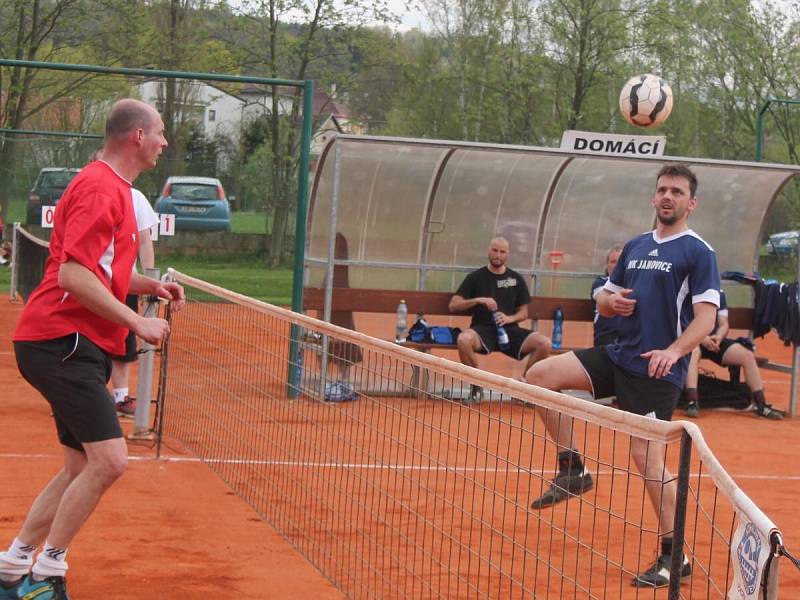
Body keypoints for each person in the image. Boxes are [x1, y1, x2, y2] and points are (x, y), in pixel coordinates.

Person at [0, 99, 184, 600]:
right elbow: (73, 274)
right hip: (61, 341)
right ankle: (47, 573)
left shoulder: (120, 193)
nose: (164, 142)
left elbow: (106, 272)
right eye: (160, 133)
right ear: (136, 137)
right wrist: (135, 323)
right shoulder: (102, 188)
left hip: (70, 343)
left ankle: (13, 565)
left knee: (82, 465)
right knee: (109, 461)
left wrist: (150, 288)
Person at [524, 164, 720, 589]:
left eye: (677, 191)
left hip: (655, 368)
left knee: (646, 459)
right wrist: (610, 303)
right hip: (618, 355)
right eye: (663, 189)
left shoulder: (698, 252)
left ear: (691, 202)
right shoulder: (635, 246)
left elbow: (706, 318)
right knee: (539, 376)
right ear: (654, 198)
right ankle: (572, 467)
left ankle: (675, 556)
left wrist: (674, 352)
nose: (668, 197)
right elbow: (603, 294)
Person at [449, 236, 551, 404]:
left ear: (507, 254)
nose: (498, 255)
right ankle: (477, 385)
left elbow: (523, 313)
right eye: (495, 250)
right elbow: (453, 305)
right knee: (463, 339)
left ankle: (524, 389)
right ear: (489, 251)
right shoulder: (476, 277)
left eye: (502, 252)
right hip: (482, 329)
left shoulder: (515, 278)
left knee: (544, 344)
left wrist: (509, 318)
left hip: (509, 330)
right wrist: (478, 300)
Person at [684, 289, 783, 419]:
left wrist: (718, 337)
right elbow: (683, 323)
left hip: (713, 341)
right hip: (692, 338)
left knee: (746, 355)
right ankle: (692, 402)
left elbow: (724, 324)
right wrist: (703, 338)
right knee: (694, 351)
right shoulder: (688, 290)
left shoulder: (717, 292)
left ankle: (761, 405)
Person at [110, 187, 159, 418]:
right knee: (82, 339)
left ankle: (120, 397)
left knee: (122, 341)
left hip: (125, 282)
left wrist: (150, 280)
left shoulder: (136, 198)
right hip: (89, 282)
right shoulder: (87, 192)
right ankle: (75, 397)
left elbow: (145, 242)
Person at [591, 243, 624, 345]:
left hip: (630, 337)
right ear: (607, 265)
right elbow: (601, 296)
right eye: (613, 262)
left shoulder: (636, 283)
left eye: (621, 262)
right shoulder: (600, 282)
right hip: (606, 337)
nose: (617, 266)